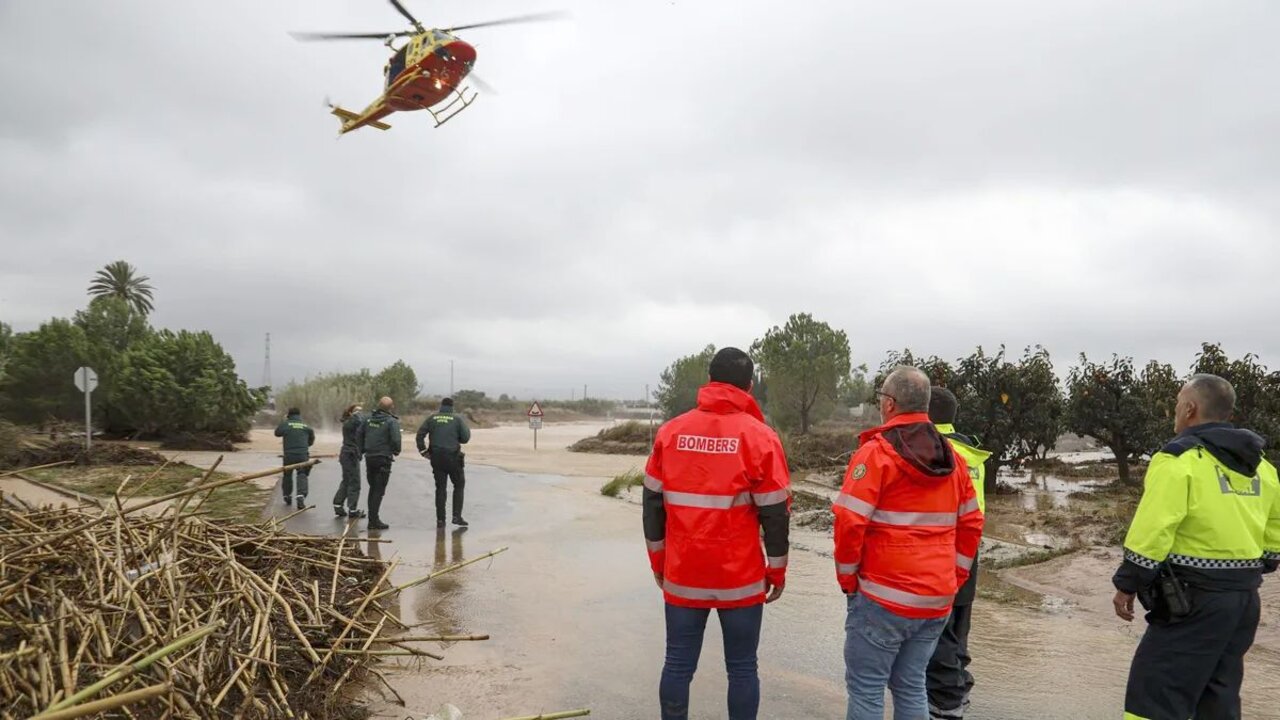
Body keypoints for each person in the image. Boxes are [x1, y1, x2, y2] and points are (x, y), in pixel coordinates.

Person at [1112, 374, 1280, 720]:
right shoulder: (1262, 467)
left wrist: (1128, 583)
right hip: (1244, 601)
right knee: (1218, 694)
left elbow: (1153, 528)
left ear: (1189, 409)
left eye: (1177, 403)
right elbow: (1274, 533)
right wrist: (1252, 566)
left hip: (1191, 600)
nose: (1175, 410)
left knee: (1154, 695)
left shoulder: (1179, 459)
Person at [642, 346, 791, 720]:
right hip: (739, 579)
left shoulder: (670, 432)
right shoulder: (761, 437)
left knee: (677, 664)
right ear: (749, 386)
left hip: (683, 573)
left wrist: (659, 563)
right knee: (742, 668)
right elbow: (775, 513)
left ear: (708, 381)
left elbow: (652, 507)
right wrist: (776, 570)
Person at [833, 367, 984, 720]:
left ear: (888, 404)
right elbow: (973, 523)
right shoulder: (954, 459)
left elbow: (849, 522)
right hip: (936, 599)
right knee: (912, 683)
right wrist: (956, 576)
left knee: (868, 686)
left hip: (882, 597)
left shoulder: (876, 454)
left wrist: (848, 580)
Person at [925, 387, 991, 720]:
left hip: (945, 548)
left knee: (940, 630)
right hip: (971, 547)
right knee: (959, 626)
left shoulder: (935, 450)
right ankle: (958, 686)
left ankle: (945, 703)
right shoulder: (970, 448)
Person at [416, 397, 472, 528]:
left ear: (441, 406)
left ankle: (440, 520)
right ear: (452, 407)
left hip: (436, 458)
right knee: (459, 485)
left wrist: (423, 451)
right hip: (453, 458)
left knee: (440, 488)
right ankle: (456, 516)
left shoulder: (432, 418)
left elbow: (420, 435)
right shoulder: (457, 419)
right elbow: (465, 438)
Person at [357, 396, 401, 531]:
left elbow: (359, 434)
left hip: (370, 458)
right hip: (383, 459)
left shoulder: (368, 419)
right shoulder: (391, 421)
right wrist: (396, 450)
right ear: (391, 407)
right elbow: (395, 439)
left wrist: (361, 450)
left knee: (373, 489)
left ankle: (373, 519)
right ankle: (373, 521)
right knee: (378, 490)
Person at [274, 407, 315, 510]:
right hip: (302, 455)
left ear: (289, 415)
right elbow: (311, 441)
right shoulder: (306, 427)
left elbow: (277, 433)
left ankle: (287, 495)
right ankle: (301, 496)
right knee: (302, 474)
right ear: (299, 415)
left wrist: (285, 421)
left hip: (289, 455)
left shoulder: (286, 425)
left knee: (287, 474)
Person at [333, 403, 367, 519]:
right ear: (351, 413)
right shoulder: (350, 422)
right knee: (354, 482)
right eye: (358, 411)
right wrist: (357, 414)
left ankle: (338, 505)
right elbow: (359, 421)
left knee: (347, 481)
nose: (360, 413)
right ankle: (353, 510)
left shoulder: (351, 422)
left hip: (348, 454)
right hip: (350, 454)